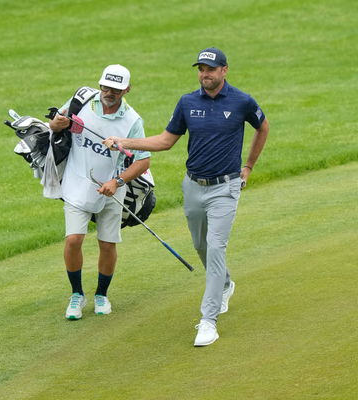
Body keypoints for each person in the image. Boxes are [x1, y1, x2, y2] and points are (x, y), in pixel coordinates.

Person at [103, 48, 269, 345]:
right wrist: (123, 142)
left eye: (211, 69)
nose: (205, 74)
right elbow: (166, 141)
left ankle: (208, 320)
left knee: (216, 247)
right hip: (193, 186)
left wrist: (248, 166)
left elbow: (263, 127)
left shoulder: (242, 101)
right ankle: (226, 284)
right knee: (200, 245)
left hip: (226, 187)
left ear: (224, 71)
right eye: (201, 69)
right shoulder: (188, 102)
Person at [48, 64, 151, 320]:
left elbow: (143, 162)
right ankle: (77, 295)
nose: (109, 92)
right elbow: (55, 124)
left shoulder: (132, 121)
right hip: (77, 182)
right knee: (73, 239)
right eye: (106, 86)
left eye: (116, 89)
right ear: (100, 83)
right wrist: (57, 124)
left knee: (107, 243)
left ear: (126, 89)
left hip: (112, 188)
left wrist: (117, 181)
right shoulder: (81, 100)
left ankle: (102, 294)